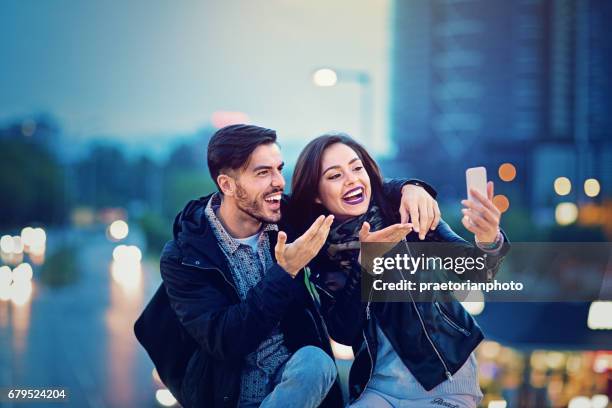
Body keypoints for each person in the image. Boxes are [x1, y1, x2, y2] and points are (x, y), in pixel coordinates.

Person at [134, 124, 440, 408]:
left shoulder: (288, 216)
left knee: (314, 362)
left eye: (279, 169)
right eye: (263, 173)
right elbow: (225, 340)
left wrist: (409, 188)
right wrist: (285, 272)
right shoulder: (185, 257)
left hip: (302, 387)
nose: (278, 182)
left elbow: (346, 191)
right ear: (227, 184)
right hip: (231, 395)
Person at [290, 133, 510, 408]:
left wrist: (488, 236)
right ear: (316, 195)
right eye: (335, 176)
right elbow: (344, 333)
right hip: (377, 387)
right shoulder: (321, 251)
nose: (352, 180)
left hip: (445, 381)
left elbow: (478, 272)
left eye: (357, 168)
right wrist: (366, 264)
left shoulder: (408, 215)